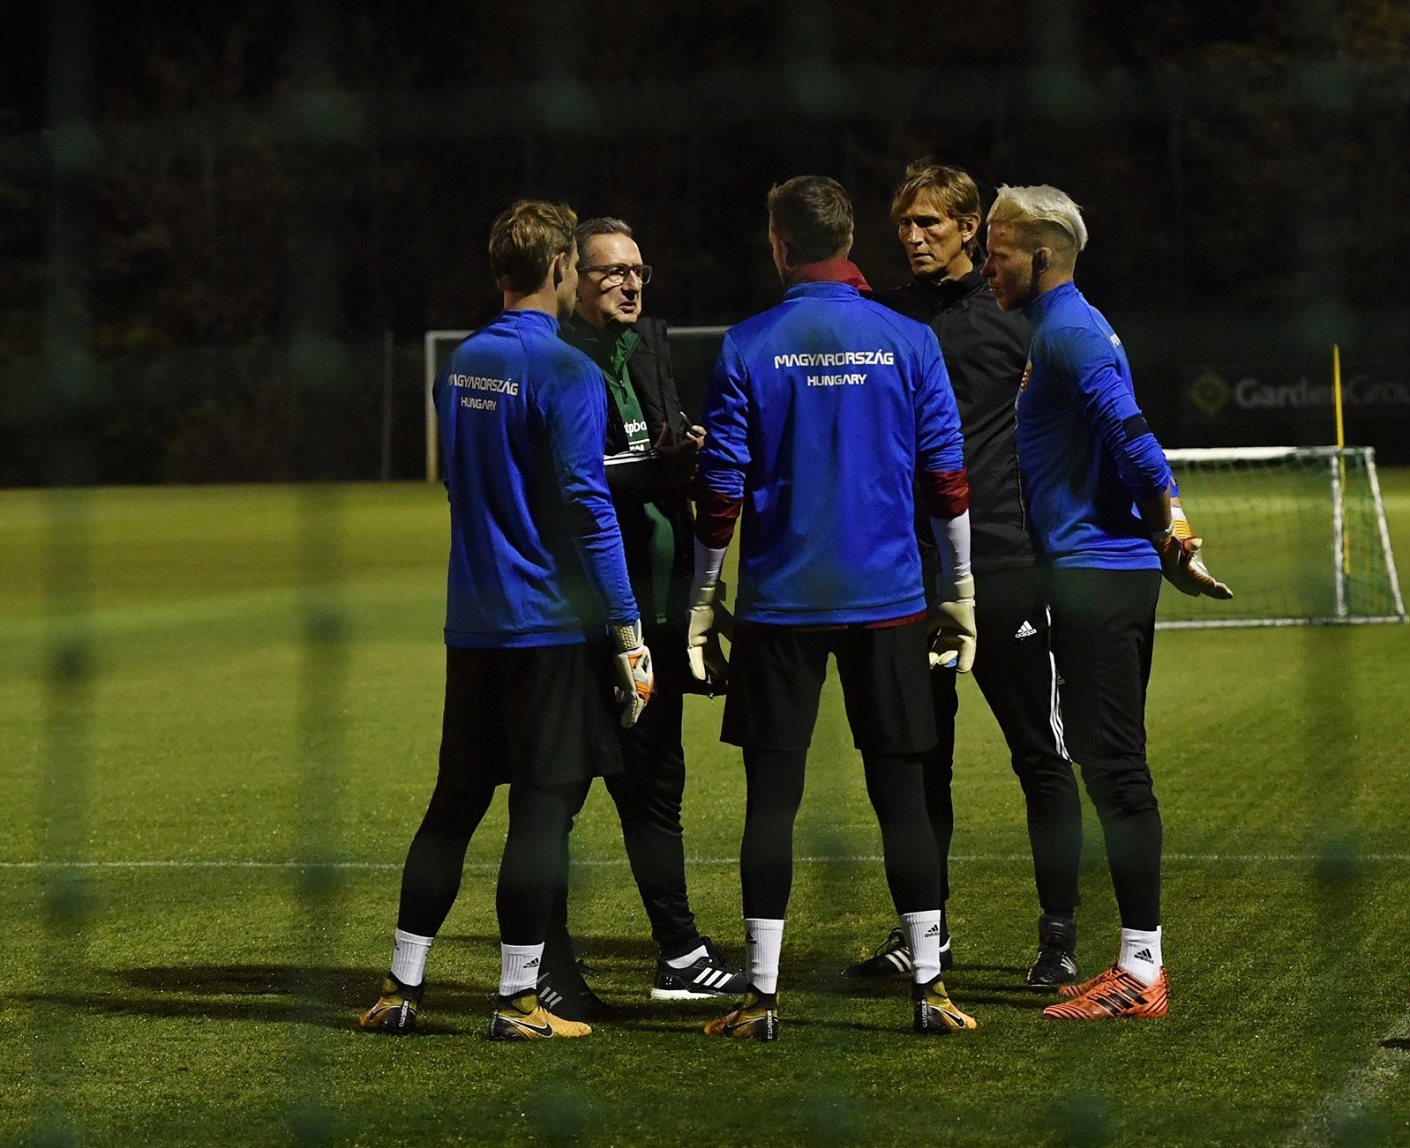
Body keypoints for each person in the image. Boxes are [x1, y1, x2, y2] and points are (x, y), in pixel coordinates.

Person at [687, 175, 978, 1040]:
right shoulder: (909, 339)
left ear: (780, 245)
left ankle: (761, 999)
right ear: (850, 240)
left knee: (771, 802)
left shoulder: (748, 344)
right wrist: (961, 588)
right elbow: (947, 478)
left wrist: (704, 597)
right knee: (903, 796)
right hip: (889, 600)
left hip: (781, 604)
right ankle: (930, 990)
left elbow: (720, 489)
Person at [358, 199, 653, 1041]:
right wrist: (628, 631)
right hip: (549, 628)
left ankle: (401, 990)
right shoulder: (566, 369)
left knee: (453, 806)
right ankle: (518, 1002)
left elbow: (460, 483)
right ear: (561, 268)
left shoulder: (462, 364)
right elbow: (588, 507)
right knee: (540, 813)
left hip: (473, 625)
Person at [981, 184, 1233, 1022]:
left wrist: (1172, 531)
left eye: (998, 254)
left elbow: (1134, 438)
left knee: (1116, 767)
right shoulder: (1069, 326)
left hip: (1095, 574)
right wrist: (1168, 539)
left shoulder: (1071, 333)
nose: (988, 269)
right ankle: (1133, 962)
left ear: (1041, 254)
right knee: (1103, 759)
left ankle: (1142, 971)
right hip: (1098, 570)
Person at [844, 160, 1084, 989]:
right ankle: (926, 934)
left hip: (1006, 565)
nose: (913, 238)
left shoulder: (1020, 318)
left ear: (971, 228)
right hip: (907, 574)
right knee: (920, 760)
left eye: (931, 224)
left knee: (1040, 754)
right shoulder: (883, 321)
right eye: (905, 224)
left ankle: (1059, 937)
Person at [540, 217, 743, 1018]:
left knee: (657, 784)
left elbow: (657, 462)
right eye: (611, 272)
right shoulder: (557, 361)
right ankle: (544, 964)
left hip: (655, 615)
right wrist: (662, 469)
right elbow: (576, 484)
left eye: (637, 271)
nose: (629, 284)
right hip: (584, 622)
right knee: (558, 794)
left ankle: (680, 953)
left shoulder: (645, 351)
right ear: (572, 278)